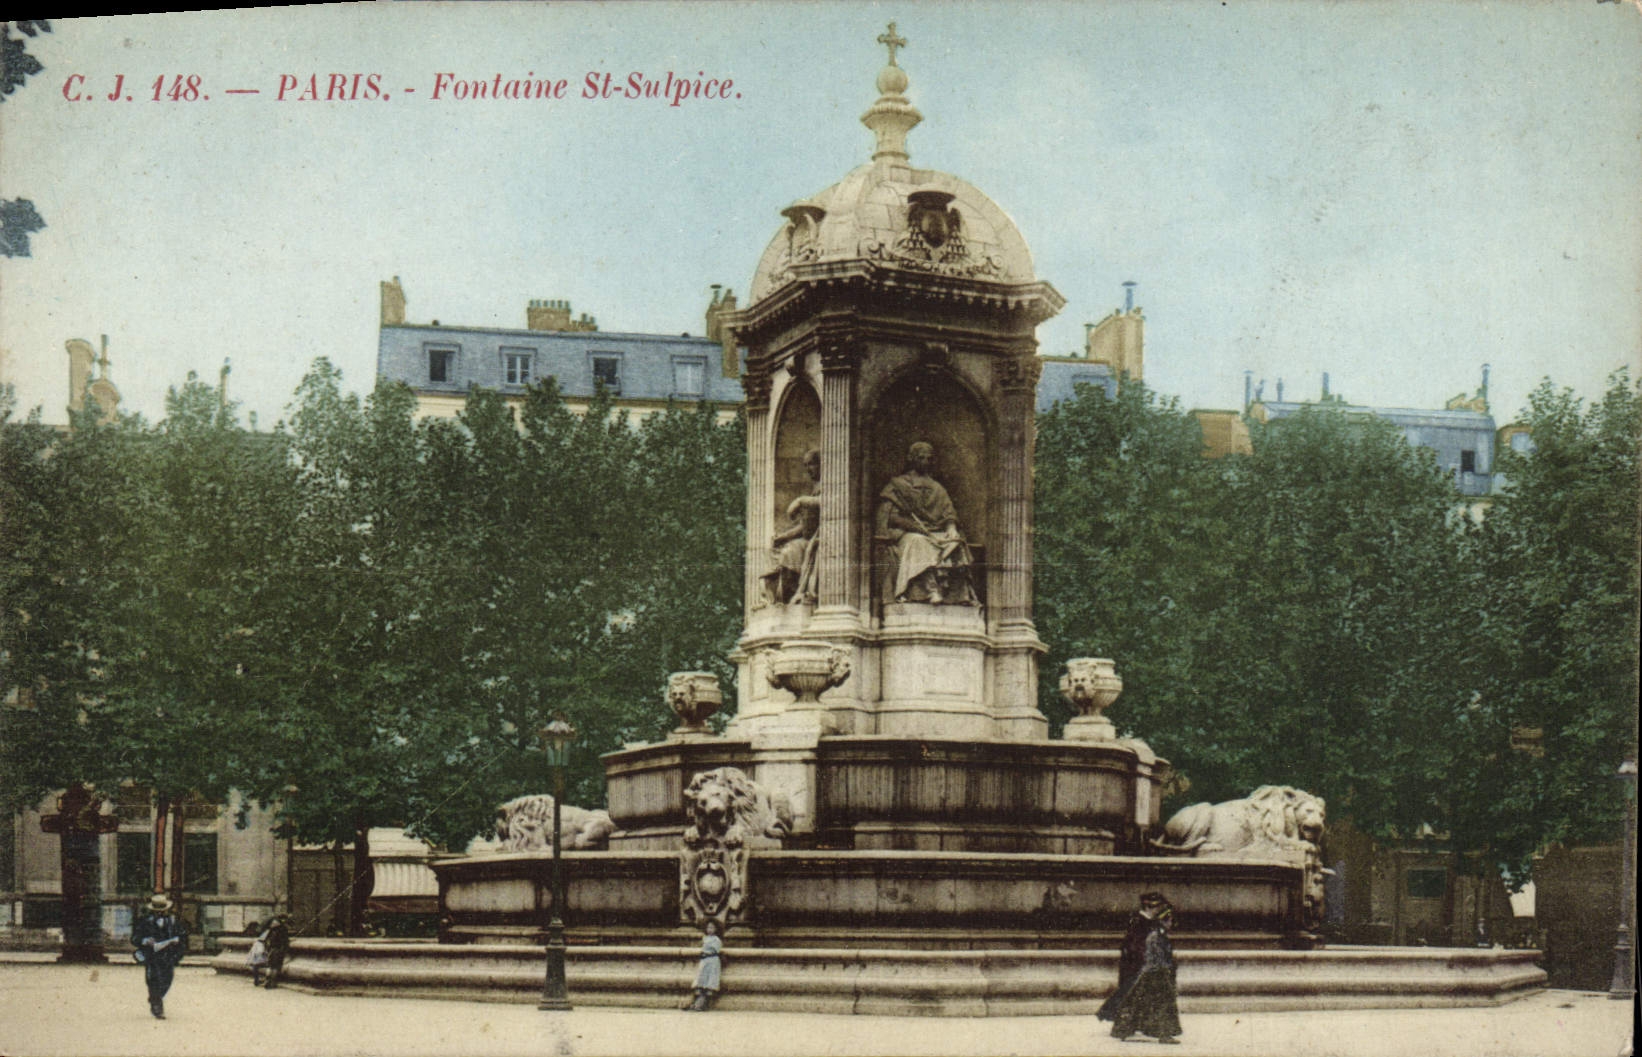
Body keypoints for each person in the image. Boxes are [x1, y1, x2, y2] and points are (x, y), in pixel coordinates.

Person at [875, 441, 977, 605]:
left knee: (955, 542)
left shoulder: (937, 488)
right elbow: (890, 516)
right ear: (912, 459)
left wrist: (951, 528)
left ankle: (959, 595)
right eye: (921, 458)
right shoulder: (898, 485)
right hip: (907, 533)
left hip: (934, 531)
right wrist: (914, 527)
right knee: (918, 541)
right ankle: (931, 589)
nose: (925, 462)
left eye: (929, 459)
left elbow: (949, 512)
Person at [1103, 898, 1183, 1044]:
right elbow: (1156, 957)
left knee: (1140, 1002)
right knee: (1160, 1004)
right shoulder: (1156, 935)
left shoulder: (1158, 934)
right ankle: (1162, 1034)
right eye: (1170, 921)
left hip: (1152, 973)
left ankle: (1125, 1030)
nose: (1171, 924)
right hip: (1156, 974)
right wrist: (1166, 969)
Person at [765, 448, 821, 604]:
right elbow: (804, 526)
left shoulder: (829, 485)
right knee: (776, 551)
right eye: (806, 465)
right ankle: (775, 599)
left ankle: (791, 599)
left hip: (820, 539)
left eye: (812, 464)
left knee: (790, 552)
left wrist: (801, 501)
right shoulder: (815, 489)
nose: (809, 469)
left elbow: (829, 502)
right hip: (809, 538)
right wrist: (783, 537)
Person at [131, 893, 188, 1020]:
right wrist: (145, 940)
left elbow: (182, 937)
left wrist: (177, 943)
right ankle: (157, 1006)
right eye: (156, 911)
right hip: (152, 956)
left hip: (168, 956)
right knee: (153, 980)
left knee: (167, 980)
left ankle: (154, 998)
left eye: (162, 911)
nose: (159, 913)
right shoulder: (144, 922)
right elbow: (134, 938)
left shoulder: (173, 921)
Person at [686, 921, 723, 1011]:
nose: (709, 930)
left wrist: (707, 952)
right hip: (704, 961)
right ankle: (696, 1003)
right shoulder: (704, 938)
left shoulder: (716, 940)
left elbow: (717, 950)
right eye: (708, 928)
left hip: (712, 960)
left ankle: (701, 1004)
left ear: (716, 929)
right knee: (701, 980)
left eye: (712, 928)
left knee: (709, 981)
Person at [261, 913, 292, 989]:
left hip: (271, 949)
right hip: (278, 950)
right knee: (275, 967)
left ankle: (267, 980)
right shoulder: (283, 928)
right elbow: (285, 941)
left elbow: (266, 939)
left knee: (269, 966)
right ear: (283, 919)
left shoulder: (271, 928)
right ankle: (272, 982)